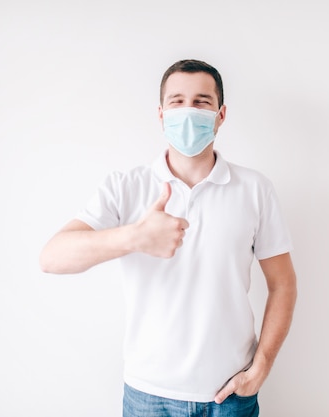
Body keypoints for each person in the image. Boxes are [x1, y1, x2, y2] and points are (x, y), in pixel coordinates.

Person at [40, 59, 297, 417]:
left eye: (202, 102)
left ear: (221, 114)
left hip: (231, 396)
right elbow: (52, 257)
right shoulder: (126, 187)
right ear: (161, 114)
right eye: (177, 101)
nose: (189, 111)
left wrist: (261, 368)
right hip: (149, 396)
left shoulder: (255, 189)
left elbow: (283, 284)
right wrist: (134, 237)